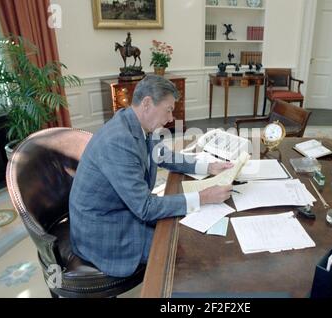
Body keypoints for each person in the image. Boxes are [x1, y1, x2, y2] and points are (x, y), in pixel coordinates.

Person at [69, 75, 234, 278]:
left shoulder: (137, 122)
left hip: (123, 209)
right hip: (104, 230)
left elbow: (163, 155)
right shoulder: (118, 140)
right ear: (147, 103)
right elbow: (145, 208)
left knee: (184, 226)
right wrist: (204, 197)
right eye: (169, 109)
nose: (171, 118)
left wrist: (208, 166)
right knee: (181, 249)